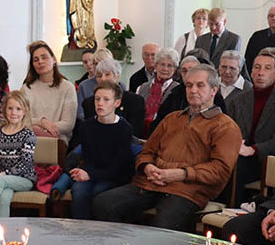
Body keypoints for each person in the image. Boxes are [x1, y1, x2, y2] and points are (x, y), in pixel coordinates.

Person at [93, 64, 242, 232]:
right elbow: (147, 151)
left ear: (214, 90)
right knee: (103, 203)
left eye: (200, 85)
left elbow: (220, 170)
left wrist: (180, 174)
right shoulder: (172, 119)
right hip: (151, 183)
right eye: (189, 85)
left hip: (187, 190)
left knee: (164, 224)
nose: (193, 90)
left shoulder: (226, 126)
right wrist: (148, 167)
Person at [69, 81, 134, 219]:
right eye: (97, 99)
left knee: (99, 192)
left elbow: (118, 167)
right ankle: (80, 232)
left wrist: (90, 174)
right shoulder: (87, 126)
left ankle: (99, 234)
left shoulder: (124, 128)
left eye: (106, 99)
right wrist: (84, 172)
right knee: (79, 191)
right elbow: (88, 158)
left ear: (117, 103)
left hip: (114, 176)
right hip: (92, 172)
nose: (100, 103)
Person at [226, 48, 275, 206]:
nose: (261, 73)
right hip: (238, 153)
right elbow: (228, 129)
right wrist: (235, 143)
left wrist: (252, 149)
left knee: (237, 165)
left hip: (266, 159)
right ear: (250, 71)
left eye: (267, 68)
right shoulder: (239, 100)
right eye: (257, 67)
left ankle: (232, 210)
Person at [0, 91, 36, 218]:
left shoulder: (28, 134)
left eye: (18, 109)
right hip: (3, 180)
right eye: (10, 108)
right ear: (4, 110)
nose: (14, 113)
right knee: (4, 198)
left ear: (25, 111)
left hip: (24, 179)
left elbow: (25, 164)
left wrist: (3, 175)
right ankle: (4, 229)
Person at [149, 55, 226, 135]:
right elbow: (157, 127)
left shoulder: (215, 97)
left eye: (193, 70)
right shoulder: (175, 94)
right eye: (184, 71)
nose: (189, 74)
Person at [21, 40, 77, 145]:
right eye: (36, 59)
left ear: (54, 59)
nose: (40, 62)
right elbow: (22, 119)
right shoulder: (26, 89)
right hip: (30, 140)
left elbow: (68, 124)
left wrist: (44, 128)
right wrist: (42, 122)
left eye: (44, 57)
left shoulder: (67, 87)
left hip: (57, 139)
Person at [81, 58, 145, 138]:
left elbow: (135, 133)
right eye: (99, 76)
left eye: (107, 74)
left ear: (117, 77)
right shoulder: (89, 103)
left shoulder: (135, 101)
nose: (103, 79)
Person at [137, 47, 180, 137]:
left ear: (175, 69)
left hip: (165, 134)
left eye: (169, 66)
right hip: (140, 134)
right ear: (156, 66)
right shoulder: (142, 88)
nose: (165, 69)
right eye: (162, 64)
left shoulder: (178, 90)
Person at [244, 6, 275, 74]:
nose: (274, 18)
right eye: (271, 16)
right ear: (267, 18)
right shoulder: (256, 36)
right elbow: (248, 61)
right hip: (257, 79)